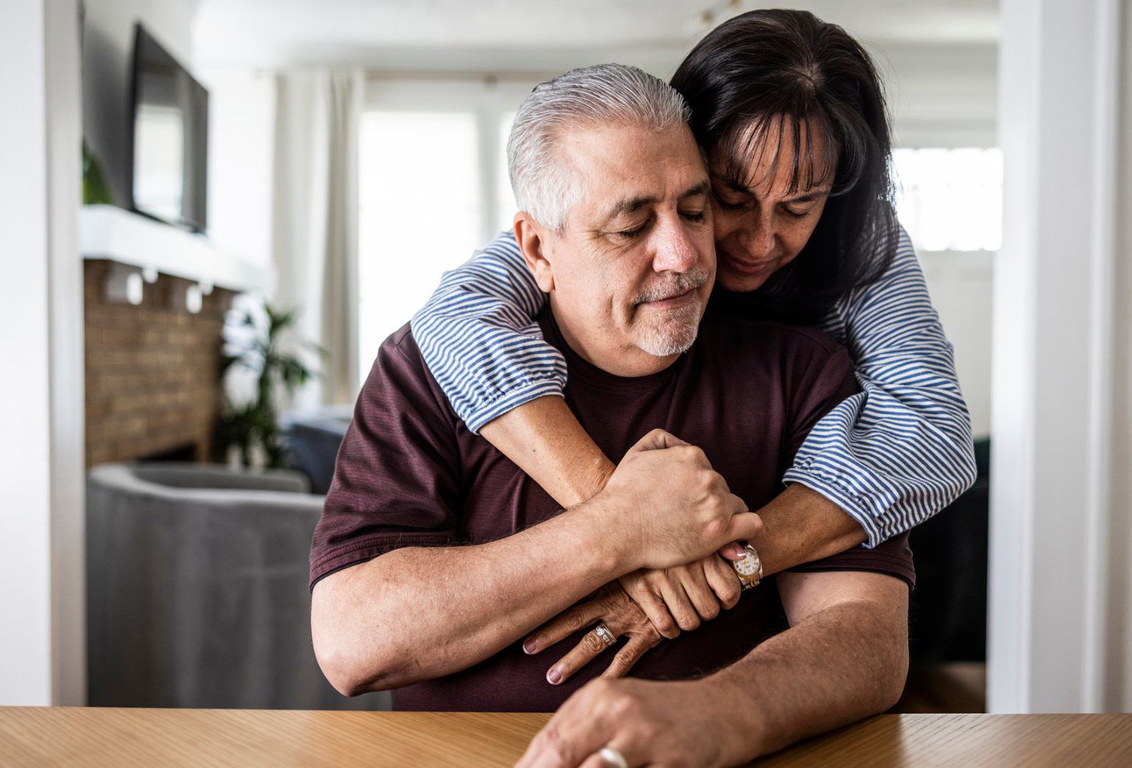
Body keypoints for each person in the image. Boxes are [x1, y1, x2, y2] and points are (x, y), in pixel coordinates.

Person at [311, 64, 912, 766]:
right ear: (539, 249)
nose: (684, 255)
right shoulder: (427, 365)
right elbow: (351, 643)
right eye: (631, 226)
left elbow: (870, 639)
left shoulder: (803, 370)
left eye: (697, 211)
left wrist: (722, 710)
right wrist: (617, 529)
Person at [409, 9, 975, 650]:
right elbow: (456, 317)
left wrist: (716, 564)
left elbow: (933, 428)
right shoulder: (582, 233)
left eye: (798, 207)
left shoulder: (861, 238)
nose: (758, 242)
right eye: (728, 200)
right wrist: (625, 519)